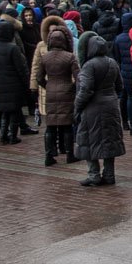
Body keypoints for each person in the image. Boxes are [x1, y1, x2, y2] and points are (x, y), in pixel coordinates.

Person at [74, 33, 125, 187]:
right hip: (111, 106)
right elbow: (120, 85)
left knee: (89, 140)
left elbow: (85, 90)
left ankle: (94, 174)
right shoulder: (112, 62)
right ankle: (109, 174)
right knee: (109, 140)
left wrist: (77, 106)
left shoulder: (89, 65)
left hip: (93, 108)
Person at [37, 28, 79, 165]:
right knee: (67, 125)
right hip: (66, 90)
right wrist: (72, 88)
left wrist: (47, 85)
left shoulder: (45, 57)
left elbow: (39, 78)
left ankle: (49, 156)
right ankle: (69, 154)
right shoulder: (69, 56)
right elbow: (78, 77)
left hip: (50, 91)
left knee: (50, 126)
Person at [0, 21, 29, 145]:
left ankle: (3, 134)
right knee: (15, 111)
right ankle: (13, 136)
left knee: (5, 110)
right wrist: (26, 85)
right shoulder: (12, 48)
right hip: (13, 84)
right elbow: (21, 69)